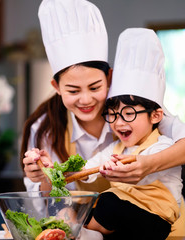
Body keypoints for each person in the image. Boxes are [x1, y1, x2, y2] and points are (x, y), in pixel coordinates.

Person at [22, 0, 185, 237]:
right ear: (56, 86)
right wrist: (45, 173)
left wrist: (147, 164)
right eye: (73, 90)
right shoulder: (46, 130)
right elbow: (46, 205)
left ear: (109, 77)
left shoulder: (139, 107)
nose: (86, 99)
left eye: (95, 86)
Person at [83, 28, 182, 240]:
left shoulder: (163, 146)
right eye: (112, 115)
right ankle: (88, 229)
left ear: (155, 116)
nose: (118, 123)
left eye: (128, 114)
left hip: (156, 219)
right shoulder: (116, 148)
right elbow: (89, 168)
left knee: (109, 203)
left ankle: (84, 231)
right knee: (90, 204)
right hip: (127, 220)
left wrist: (114, 169)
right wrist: (60, 170)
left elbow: (146, 176)